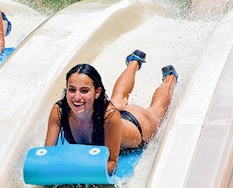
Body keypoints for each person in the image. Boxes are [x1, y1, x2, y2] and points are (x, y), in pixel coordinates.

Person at [44, 52, 178, 175]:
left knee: (157, 111)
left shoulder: (109, 115)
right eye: (72, 90)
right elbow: (47, 155)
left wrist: (72, 169)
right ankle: (134, 61)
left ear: (97, 92)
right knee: (119, 98)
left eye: (84, 91)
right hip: (106, 113)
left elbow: (111, 164)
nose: (76, 97)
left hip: (137, 125)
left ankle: (170, 77)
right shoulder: (59, 111)